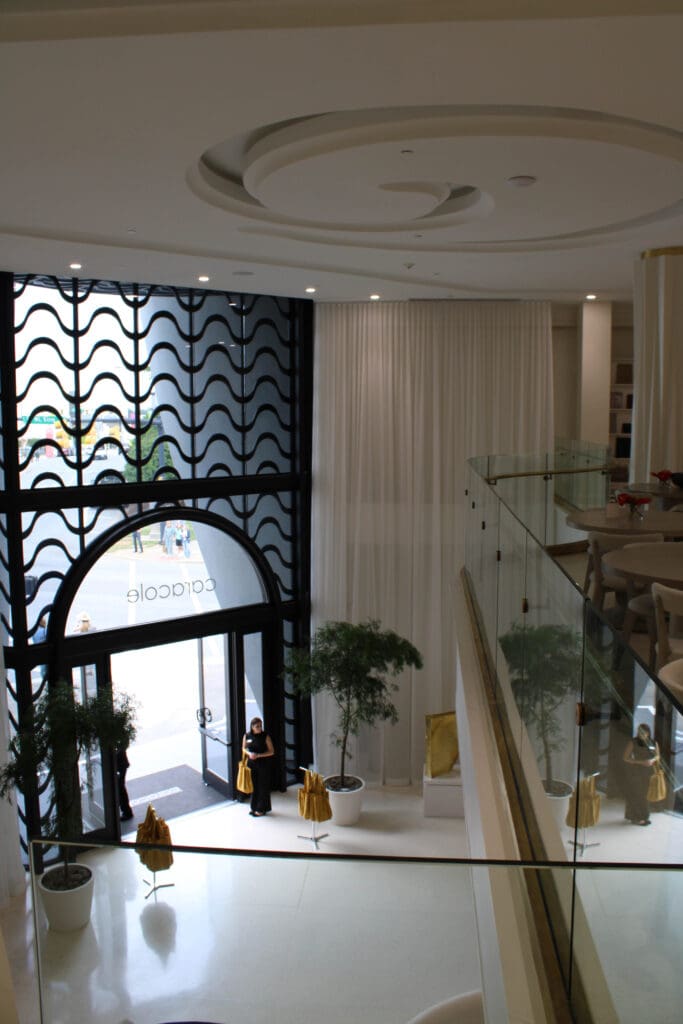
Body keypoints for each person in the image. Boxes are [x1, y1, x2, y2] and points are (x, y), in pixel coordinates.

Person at [623, 722, 659, 826]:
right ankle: (637, 816)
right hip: (636, 771)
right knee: (637, 794)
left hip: (648, 771)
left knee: (645, 794)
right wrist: (640, 762)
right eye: (640, 732)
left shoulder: (653, 742)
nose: (641, 734)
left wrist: (651, 760)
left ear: (648, 733)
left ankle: (644, 816)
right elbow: (625, 758)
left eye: (643, 732)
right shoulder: (633, 742)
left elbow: (657, 756)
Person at [242, 716, 274, 816]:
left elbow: (271, 751)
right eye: (257, 726)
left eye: (260, 726)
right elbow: (244, 748)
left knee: (262, 786)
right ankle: (254, 807)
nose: (260, 728)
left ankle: (262, 808)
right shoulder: (247, 736)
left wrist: (259, 755)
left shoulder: (265, 736)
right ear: (252, 727)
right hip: (252, 763)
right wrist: (249, 754)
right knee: (254, 785)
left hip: (263, 763)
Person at [116, 744, 134, 822]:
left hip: (119, 764)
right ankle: (126, 811)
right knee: (120, 788)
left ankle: (126, 811)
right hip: (120, 763)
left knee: (120, 788)